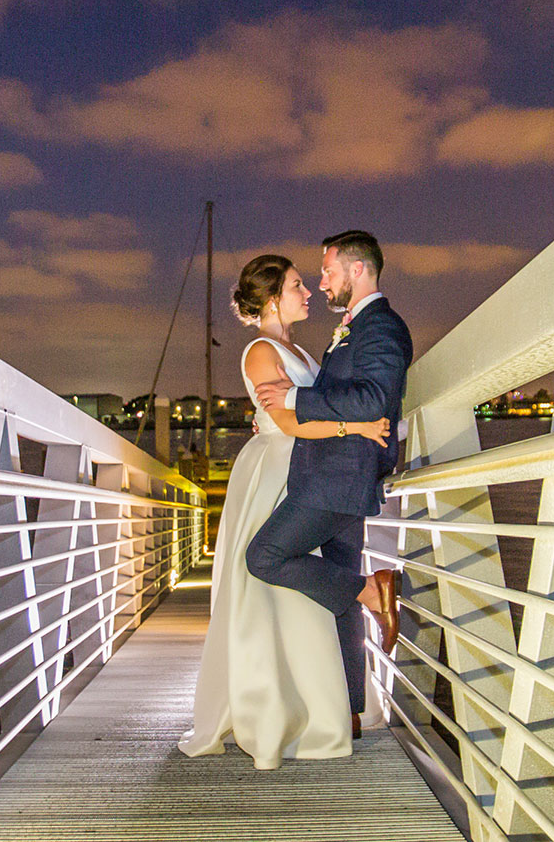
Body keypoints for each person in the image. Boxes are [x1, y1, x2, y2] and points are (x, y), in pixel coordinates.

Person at [178, 253, 391, 770]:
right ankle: (274, 701)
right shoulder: (259, 352)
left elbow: (310, 405)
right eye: (297, 285)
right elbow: (292, 423)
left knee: (296, 582)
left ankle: (326, 701)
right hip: (276, 470)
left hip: (308, 467)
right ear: (272, 297)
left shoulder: (302, 352)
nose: (308, 292)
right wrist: (356, 429)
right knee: (266, 579)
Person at [248, 230, 412, 728]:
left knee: (266, 556)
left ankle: (371, 589)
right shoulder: (354, 328)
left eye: (328, 271)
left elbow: (371, 400)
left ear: (356, 271)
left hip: (339, 475)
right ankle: (350, 711)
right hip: (334, 471)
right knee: (338, 592)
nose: (322, 283)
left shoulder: (380, 326)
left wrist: (294, 402)